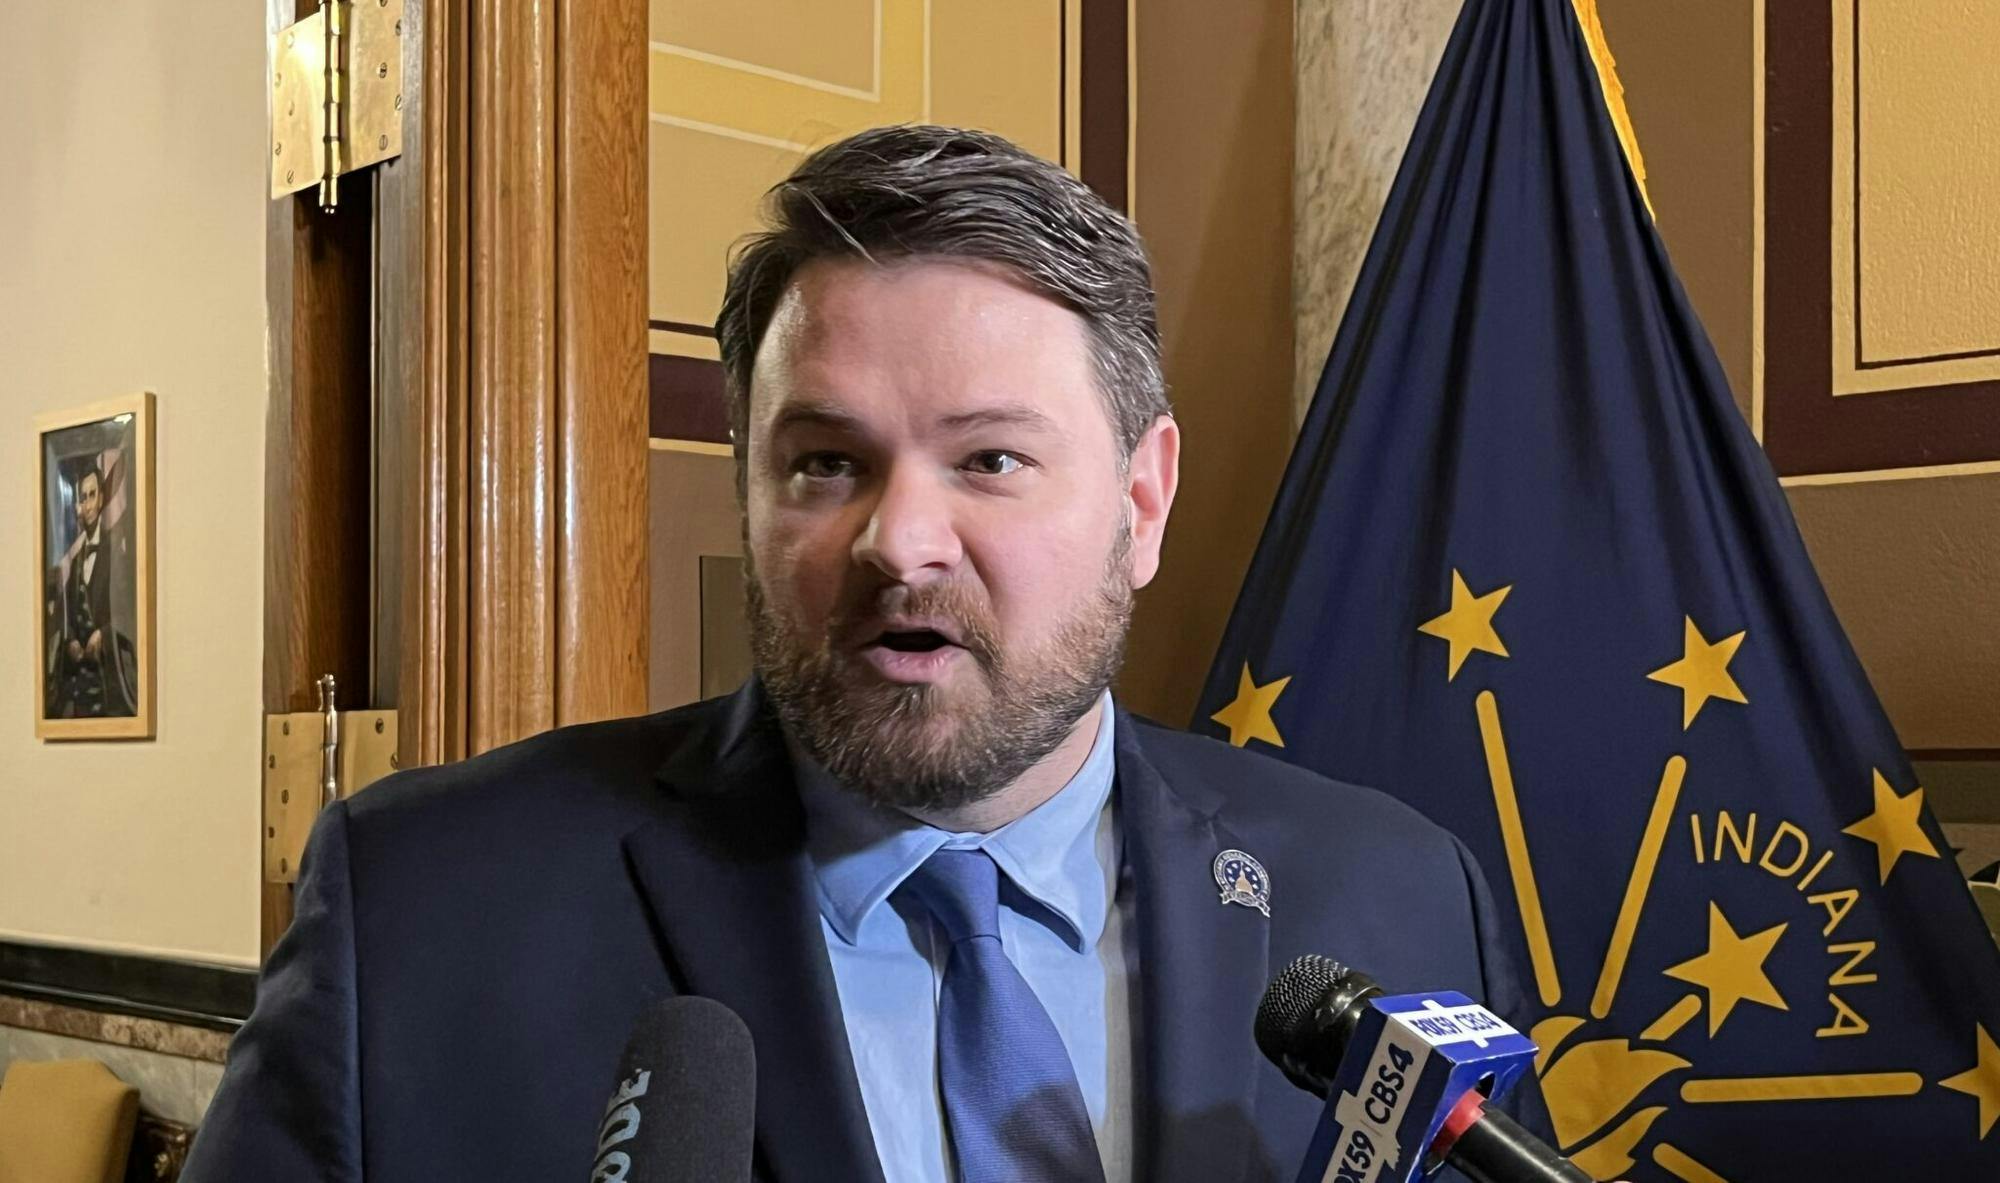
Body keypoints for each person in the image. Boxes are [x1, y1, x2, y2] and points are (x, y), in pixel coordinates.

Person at [185, 125, 1540, 1182]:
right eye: (825, 462)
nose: (899, 542)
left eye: (990, 459)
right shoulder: (422, 907)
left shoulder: (1396, 891)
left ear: (1141, 501)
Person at [46, 464, 135, 718]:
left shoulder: (116, 554)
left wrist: (103, 635)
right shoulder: (75, 563)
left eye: (92, 495)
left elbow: (128, 612)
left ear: (102, 498)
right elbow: (65, 616)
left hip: (109, 680)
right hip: (79, 683)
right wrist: (72, 640)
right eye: (83, 498)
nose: (87, 506)